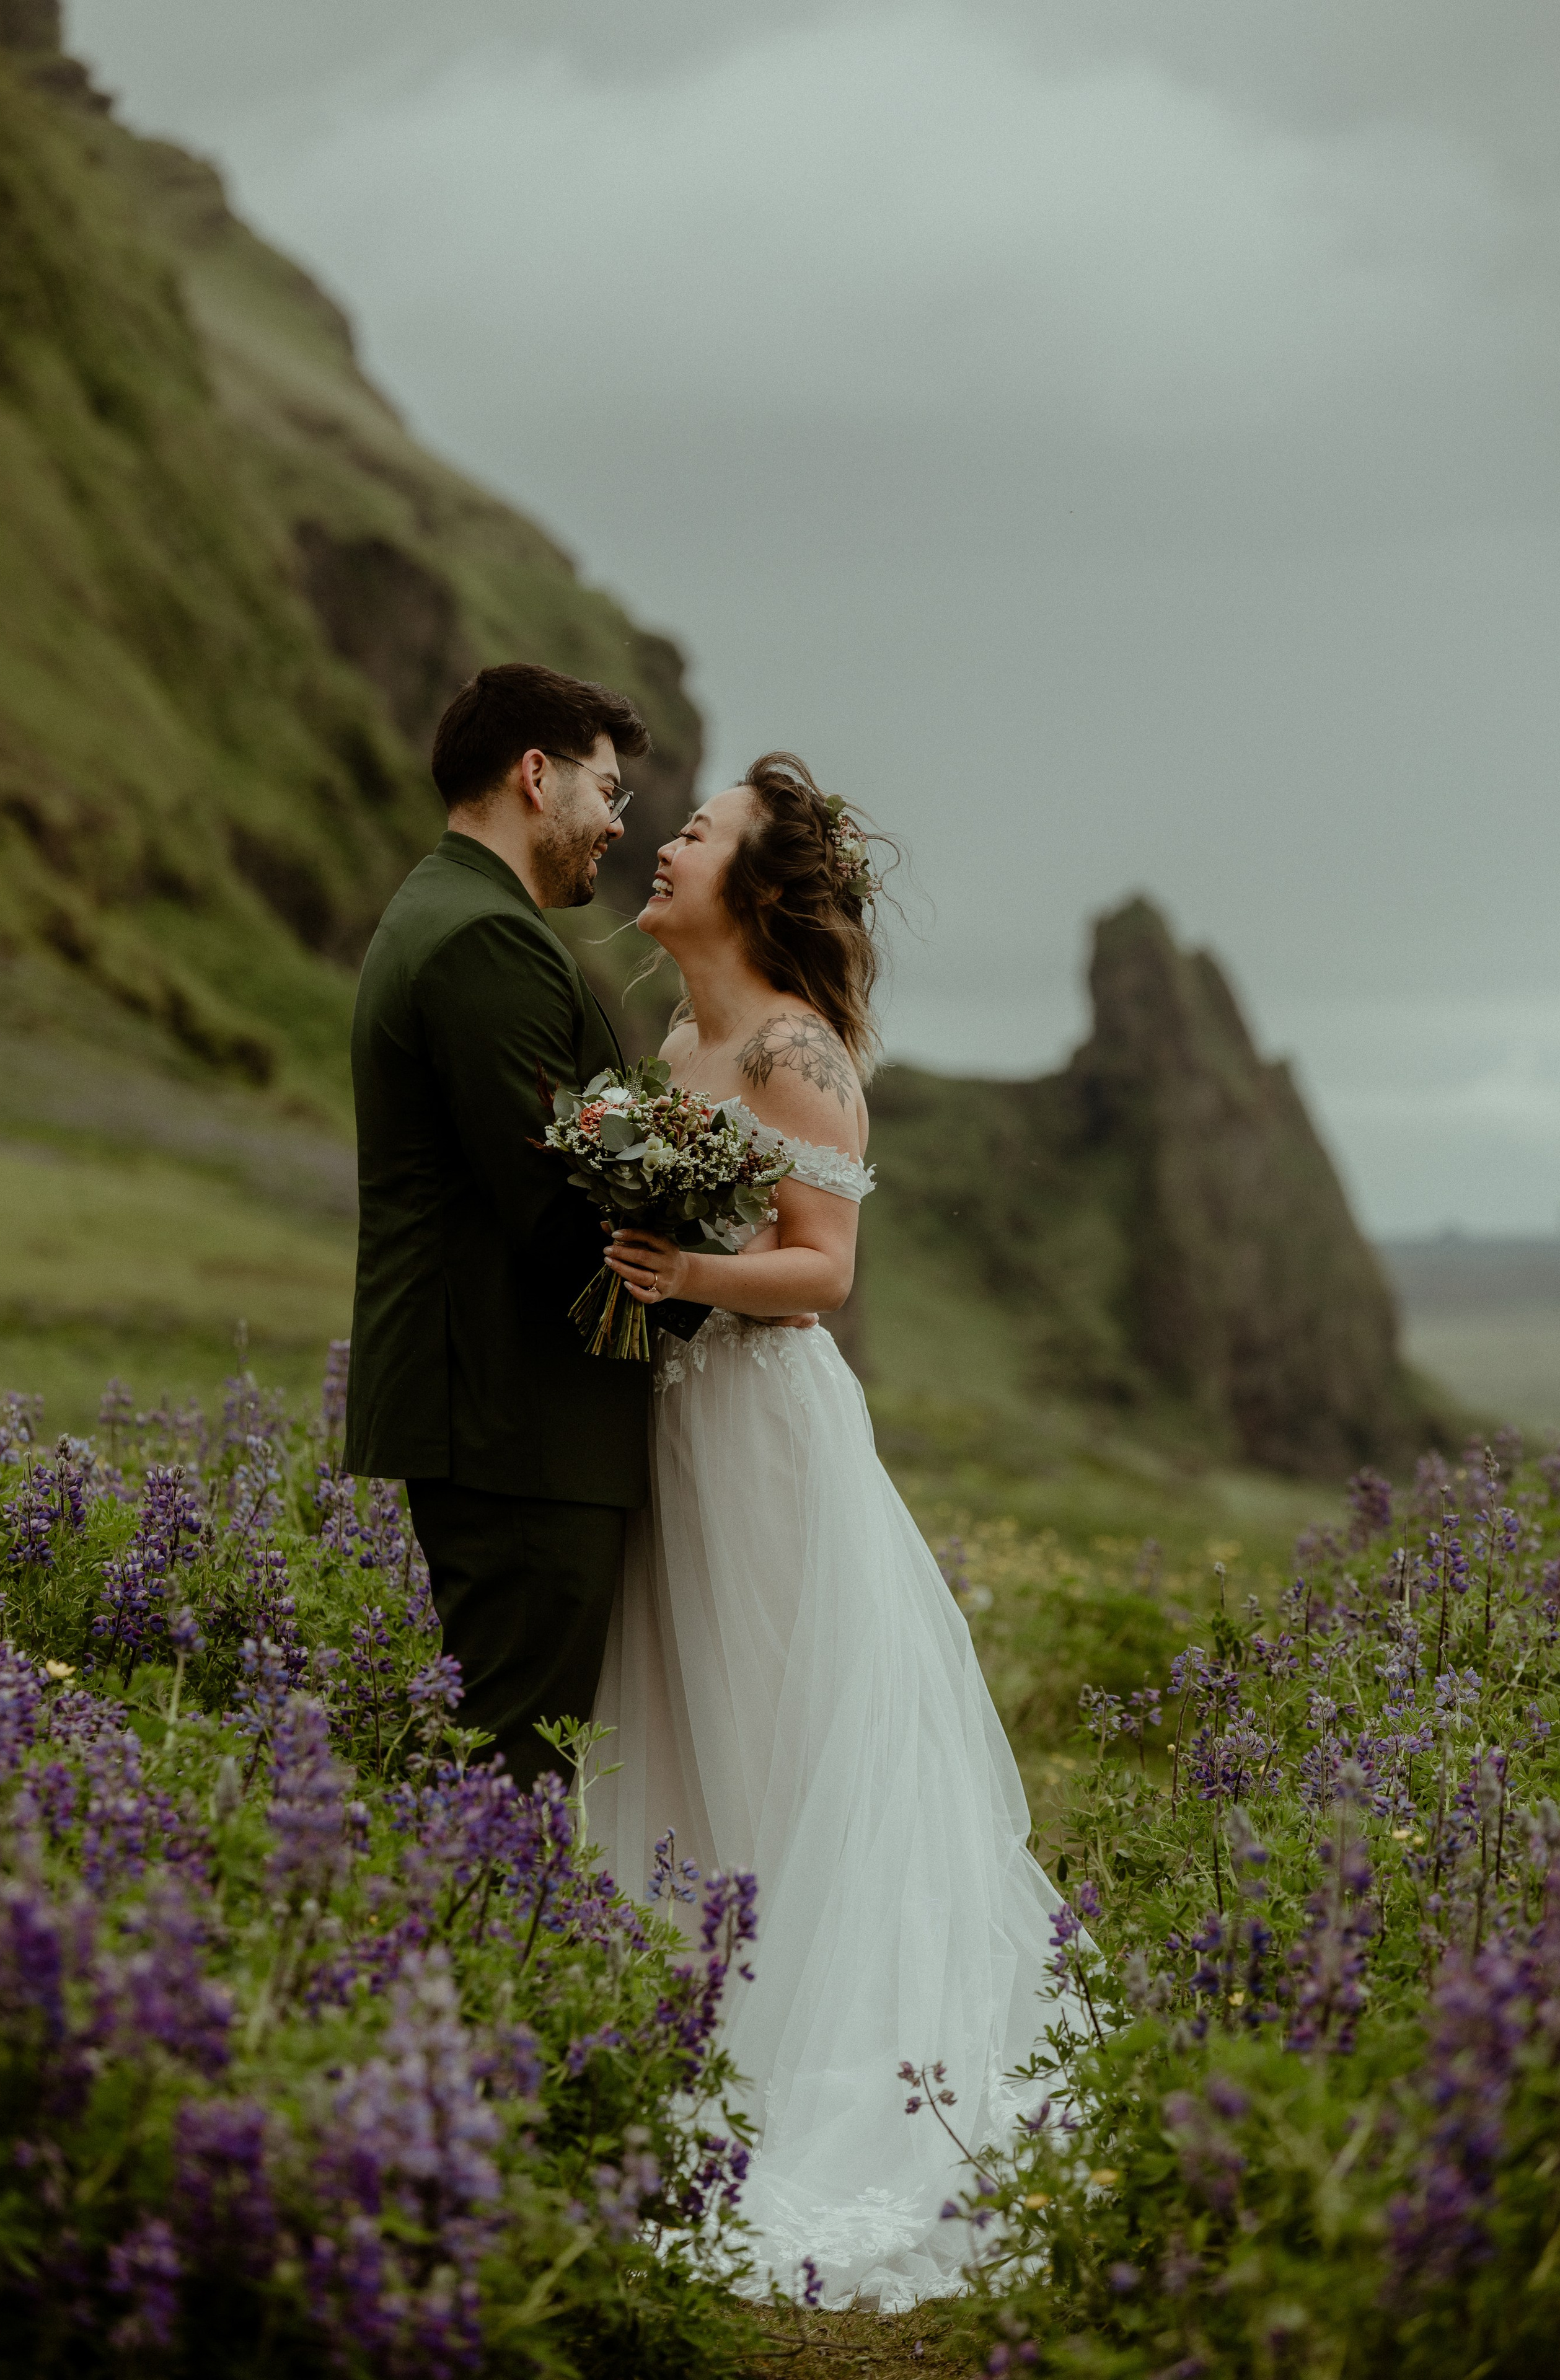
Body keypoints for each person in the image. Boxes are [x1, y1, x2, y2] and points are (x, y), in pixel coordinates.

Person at [589, 753, 1070, 2308]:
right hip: (680, 1423)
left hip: (769, 1429)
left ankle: (835, 2071)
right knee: (701, 1713)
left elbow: (824, 1270)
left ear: (752, 883)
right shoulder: (678, 1036)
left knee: (798, 1728)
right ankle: (703, 2045)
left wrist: (686, 1278)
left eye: (695, 833)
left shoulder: (797, 1050)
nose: (663, 845)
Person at [342, 661, 654, 1786]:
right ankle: (455, 1958)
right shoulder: (484, 937)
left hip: (503, 1414)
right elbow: (554, 1207)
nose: (617, 823)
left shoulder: (451, 911)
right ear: (538, 776)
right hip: (515, 1416)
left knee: (503, 1754)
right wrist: (706, 1283)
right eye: (607, 791)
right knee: (513, 1767)